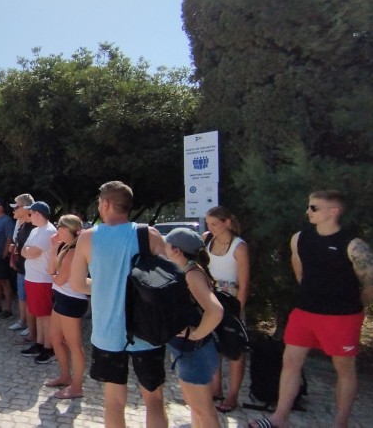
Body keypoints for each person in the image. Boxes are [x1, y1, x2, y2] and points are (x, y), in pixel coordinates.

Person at [249, 190, 373, 428]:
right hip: (305, 311)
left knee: (344, 369)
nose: (307, 212)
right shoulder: (299, 238)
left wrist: (351, 306)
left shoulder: (353, 245)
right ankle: (280, 418)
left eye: (314, 208)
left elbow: (372, 284)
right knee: (290, 362)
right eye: (309, 206)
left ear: (334, 211)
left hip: (342, 317)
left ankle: (340, 424)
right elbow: (300, 273)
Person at [69, 181, 169, 428]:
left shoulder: (88, 238)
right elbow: (168, 282)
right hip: (148, 330)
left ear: (105, 204)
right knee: (154, 400)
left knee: (114, 402)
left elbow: (78, 284)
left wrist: (105, 286)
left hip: (108, 333)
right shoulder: (150, 235)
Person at [164, 228, 225, 428]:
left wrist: (196, 334)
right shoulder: (193, 269)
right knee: (198, 411)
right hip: (194, 351)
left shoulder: (191, 274)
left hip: (194, 353)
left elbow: (215, 311)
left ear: (176, 250)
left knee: (204, 412)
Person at [203, 206, 251, 413]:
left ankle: (232, 395)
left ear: (227, 223)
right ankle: (216, 389)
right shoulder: (206, 240)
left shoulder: (239, 247)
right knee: (213, 343)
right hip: (210, 299)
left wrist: (239, 311)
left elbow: (244, 282)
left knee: (235, 349)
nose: (211, 228)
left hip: (231, 301)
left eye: (215, 224)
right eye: (208, 224)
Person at [44, 215, 89, 399]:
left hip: (72, 299)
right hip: (62, 297)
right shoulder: (65, 247)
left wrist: (53, 274)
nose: (57, 231)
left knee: (74, 345)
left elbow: (58, 278)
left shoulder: (73, 251)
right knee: (55, 337)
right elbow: (51, 270)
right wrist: (54, 247)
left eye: (60, 228)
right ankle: (65, 376)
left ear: (68, 230)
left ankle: (77, 386)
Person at [19, 201, 58, 364]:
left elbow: (32, 252)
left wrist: (27, 251)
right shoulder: (36, 230)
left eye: (30, 213)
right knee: (38, 313)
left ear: (37, 213)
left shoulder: (48, 231)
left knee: (45, 314)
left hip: (42, 279)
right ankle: (40, 343)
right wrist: (27, 251)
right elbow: (23, 250)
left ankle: (49, 348)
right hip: (33, 278)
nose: (29, 216)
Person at [9, 193, 36, 337]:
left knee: (30, 300)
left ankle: (33, 329)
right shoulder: (21, 225)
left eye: (17, 207)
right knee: (22, 296)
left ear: (26, 208)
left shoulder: (34, 226)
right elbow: (19, 244)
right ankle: (23, 321)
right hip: (21, 267)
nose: (14, 210)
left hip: (31, 270)